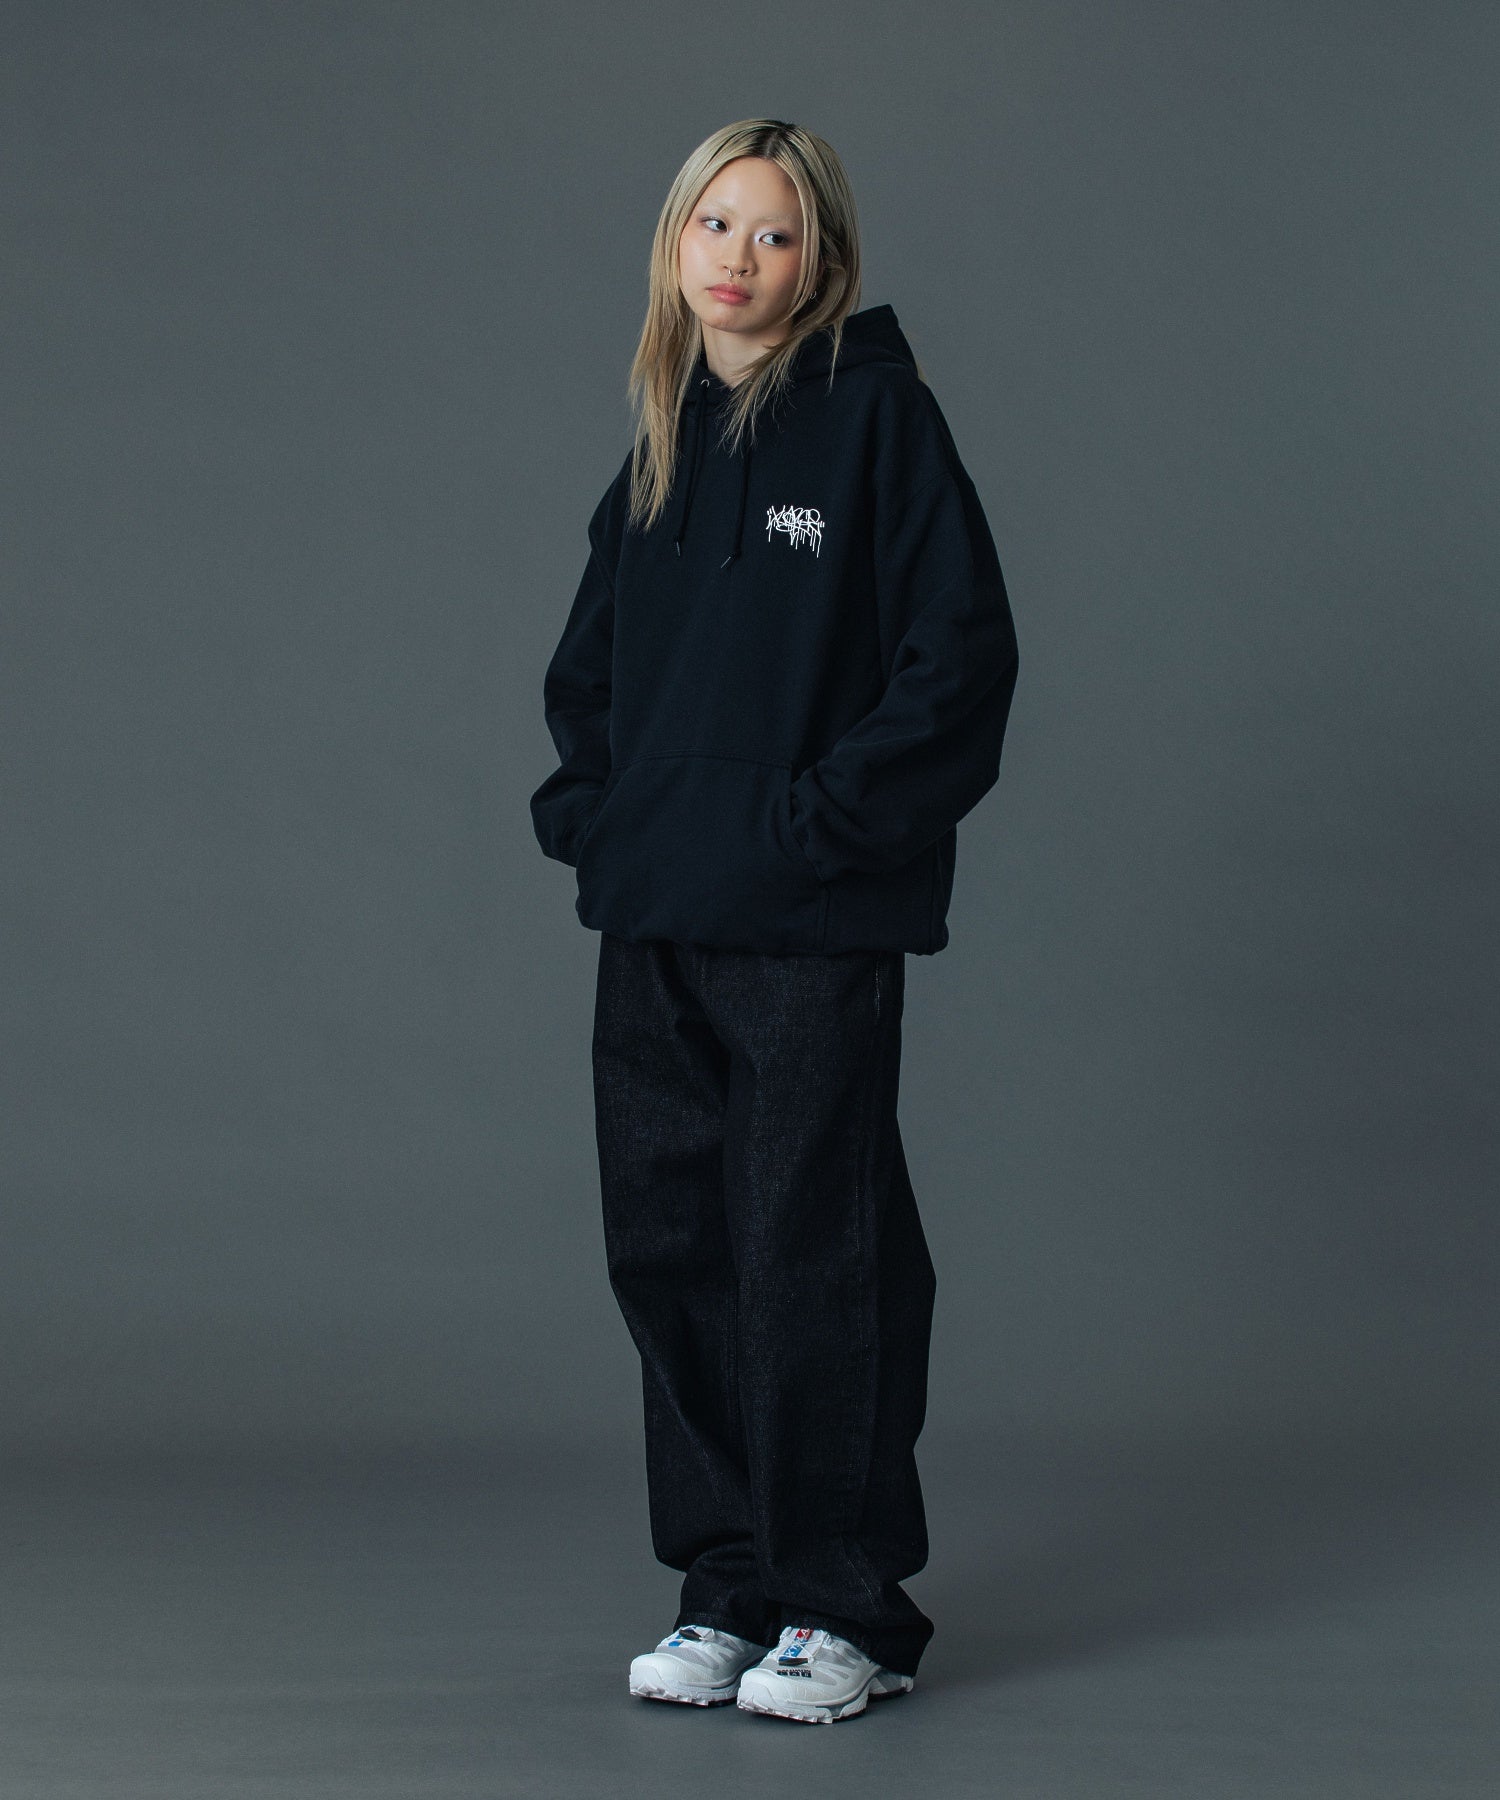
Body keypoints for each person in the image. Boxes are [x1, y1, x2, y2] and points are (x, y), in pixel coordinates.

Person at [529, 118, 1020, 1725]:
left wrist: (819, 834)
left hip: (809, 924)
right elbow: (591, 674)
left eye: (776, 232)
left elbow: (960, 661)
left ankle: (841, 1605)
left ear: (825, 261)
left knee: (813, 1250)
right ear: (676, 245)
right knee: (673, 1251)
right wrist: (599, 821)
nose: (738, 257)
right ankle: (729, 1585)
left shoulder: (879, 423)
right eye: (714, 224)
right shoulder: (662, 445)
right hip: (658, 916)